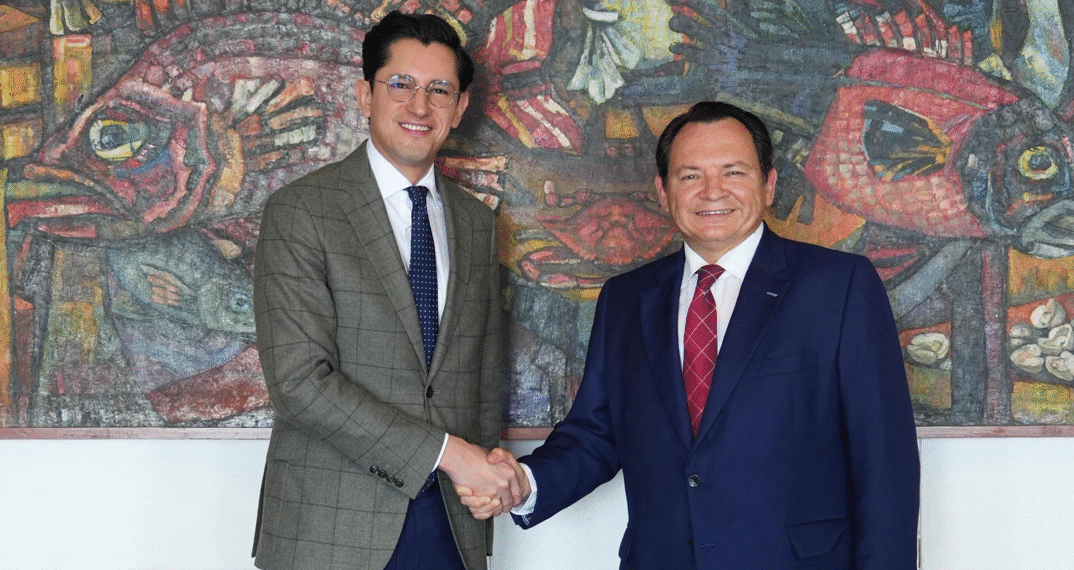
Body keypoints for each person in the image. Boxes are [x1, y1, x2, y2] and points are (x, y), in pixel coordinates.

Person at [461, 101, 920, 569]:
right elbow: (596, 435)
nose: (712, 192)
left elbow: (885, 464)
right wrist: (525, 483)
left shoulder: (839, 286)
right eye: (690, 175)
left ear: (769, 184)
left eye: (734, 172)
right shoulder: (626, 298)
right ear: (663, 191)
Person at [252, 11, 521, 570]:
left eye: (439, 90)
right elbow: (300, 383)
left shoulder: (475, 222)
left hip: (451, 526)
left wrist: (484, 482)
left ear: (461, 106)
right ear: (364, 95)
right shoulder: (302, 211)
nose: (419, 106)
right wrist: (452, 456)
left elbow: (482, 376)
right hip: (331, 529)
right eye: (400, 84)